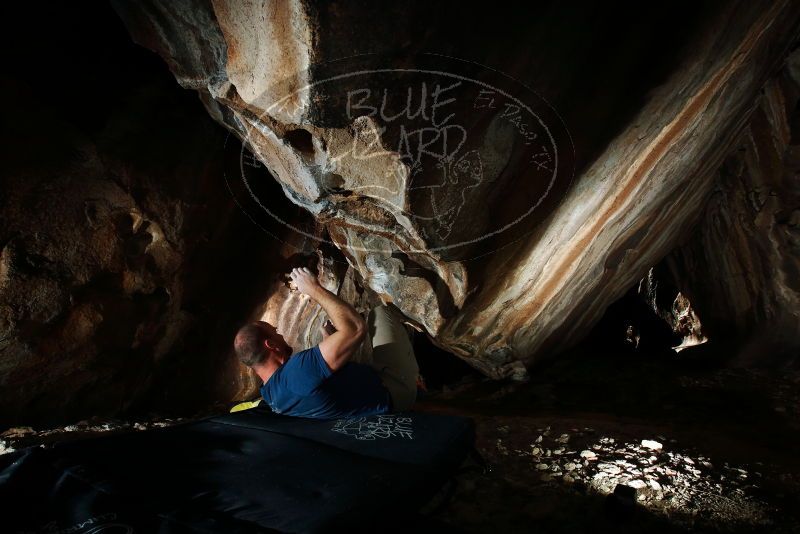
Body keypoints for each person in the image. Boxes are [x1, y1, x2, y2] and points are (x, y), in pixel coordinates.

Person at [233, 266, 419, 419]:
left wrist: (328, 339)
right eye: (275, 333)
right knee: (381, 312)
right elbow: (356, 328)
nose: (280, 334)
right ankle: (418, 372)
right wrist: (313, 288)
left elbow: (317, 388)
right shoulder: (296, 374)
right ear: (271, 345)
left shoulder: (270, 395)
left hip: (368, 401)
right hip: (393, 390)